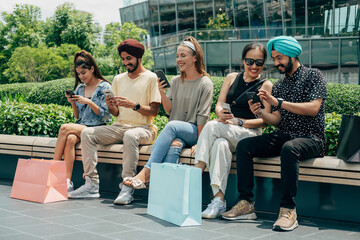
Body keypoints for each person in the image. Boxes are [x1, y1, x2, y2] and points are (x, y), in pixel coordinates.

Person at [222, 36, 327, 232]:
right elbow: (277, 120)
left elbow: (313, 108)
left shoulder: (314, 75)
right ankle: (246, 203)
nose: (276, 63)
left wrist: (279, 102)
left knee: (289, 148)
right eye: (274, 58)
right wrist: (260, 112)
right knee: (245, 145)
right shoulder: (280, 85)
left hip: (312, 138)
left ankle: (288, 210)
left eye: (280, 58)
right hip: (285, 134)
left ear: (292, 55)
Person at [68, 39, 161, 205]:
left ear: (139, 57)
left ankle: (127, 185)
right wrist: (111, 106)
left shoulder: (151, 78)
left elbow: (154, 111)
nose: (126, 62)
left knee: (131, 136)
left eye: (129, 58)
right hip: (120, 126)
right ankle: (91, 184)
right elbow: (116, 113)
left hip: (144, 128)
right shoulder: (118, 79)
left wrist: (133, 105)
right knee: (87, 133)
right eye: (123, 59)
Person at [193, 42, 273, 219]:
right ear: (243, 61)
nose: (254, 66)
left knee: (212, 125)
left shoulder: (265, 85)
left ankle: (195, 173)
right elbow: (219, 104)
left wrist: (240, 122)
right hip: (226, 130)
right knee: (220, 145)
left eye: (259, 63)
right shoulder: (231, 77)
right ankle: (219, 201)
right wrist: (222, 114)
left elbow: (264, 121)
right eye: (250, 61)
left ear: (264, 64)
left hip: (249, 133)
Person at [124, 36, 213, 189]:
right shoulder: (175, 81)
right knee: (174, 146)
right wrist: (162, 93)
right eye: (177, 56)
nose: (179, 59)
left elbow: (203, 116)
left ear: (195, 58)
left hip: (195, 132)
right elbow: (169, 110)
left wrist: (200, 142)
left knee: (172, 126)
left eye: (183, 55)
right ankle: (166, 192)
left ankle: (147, 172)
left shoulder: (205, 82)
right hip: (177, 132)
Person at [53, 50, 112, 192]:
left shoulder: (104, 87)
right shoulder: (80, 88)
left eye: (83, 72)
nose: (81, 76)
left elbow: (105, 115)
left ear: (92, 69)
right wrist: (72, 102)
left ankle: (53, 168)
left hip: (98, 128)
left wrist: (89, 102)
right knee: (70, 139)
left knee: (64, 128)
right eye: (79, 74)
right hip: (83, 127)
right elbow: (77, 116)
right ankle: (67, 182)